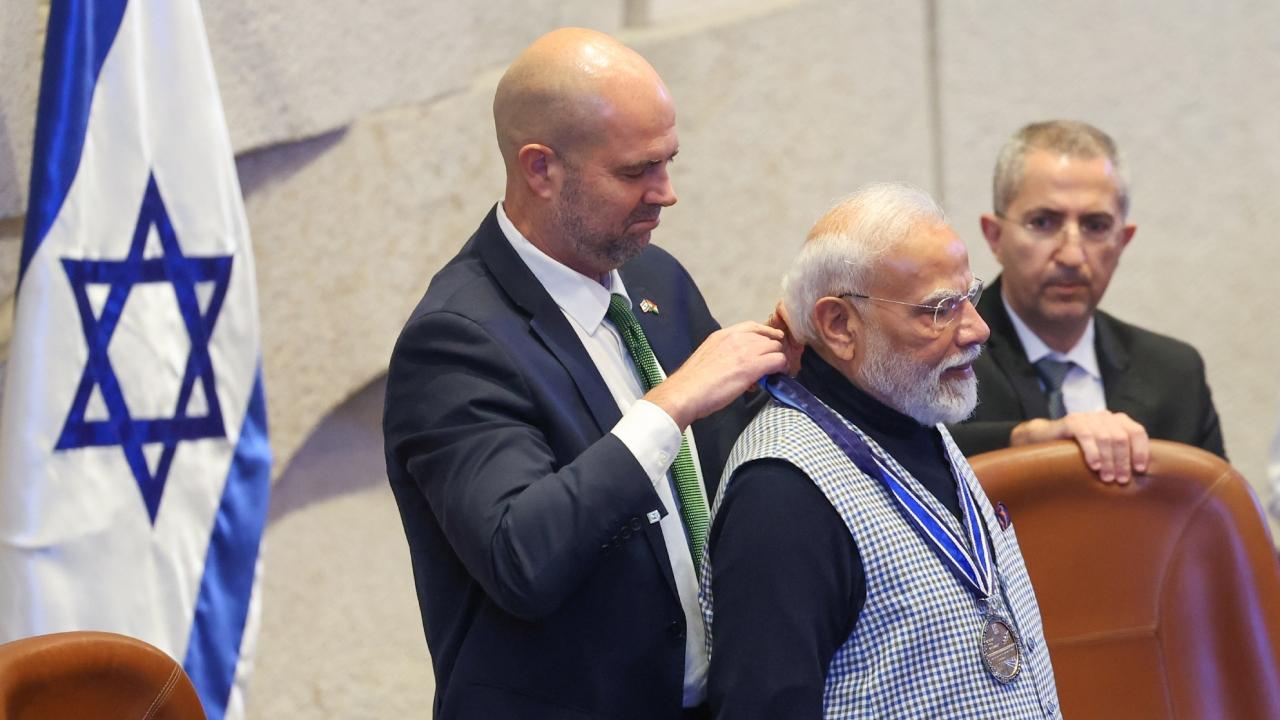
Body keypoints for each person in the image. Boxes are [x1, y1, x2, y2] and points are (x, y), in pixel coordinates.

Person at [382, 28, 789, 720]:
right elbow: (521, 557)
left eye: (669, 161)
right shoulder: (456, 341)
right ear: (540, 169)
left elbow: (727, 464)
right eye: (636, 172)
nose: (667, 193)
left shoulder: (655, 277)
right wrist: (668, 408)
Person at [702, 183, 1061, 719]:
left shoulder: (910, 405)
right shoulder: (781, 495)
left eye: (970, 297)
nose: (977, 330)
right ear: (839, 325)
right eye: (939, 309)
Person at [950, 120, 1224, 483]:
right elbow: (899, 461)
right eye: (1044, 222)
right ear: (995, 236)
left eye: (1095, 226)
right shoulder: (946, 358)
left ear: (1123, 240)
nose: (1072, 255)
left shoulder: (1174, 374)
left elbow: (1213, 522)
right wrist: (1022, 440)